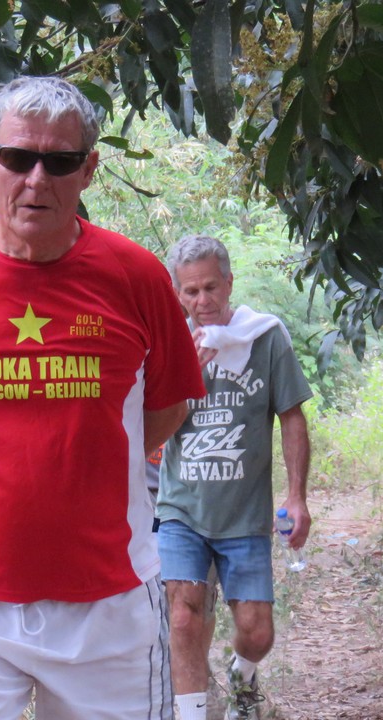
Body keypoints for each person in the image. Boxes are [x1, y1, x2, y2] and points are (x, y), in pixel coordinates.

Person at [0, 76, 205, 720]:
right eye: (19, 157)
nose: (37, 179)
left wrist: (90, 453)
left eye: (60, 161)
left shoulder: (136, 278)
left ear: (89, 170)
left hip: (110, 604)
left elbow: (167, 408)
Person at [157, 234, 313, 720]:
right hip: (182, 507)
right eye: (190, 291)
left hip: (245, 514)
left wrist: (297, 497)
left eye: (210, 287)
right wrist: (184, 376)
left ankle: (242, 675)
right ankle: (191, 714)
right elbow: (153, 427)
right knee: (183, 616)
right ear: (177, 293)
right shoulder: (169, 345)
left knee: (257, 631)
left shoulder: (265, 337)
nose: (202, 300)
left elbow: (291, 416)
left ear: (229, 282)